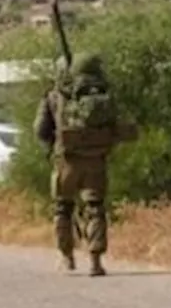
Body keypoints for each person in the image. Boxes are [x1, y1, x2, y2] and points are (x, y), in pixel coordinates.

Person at [33, 52, 131, 277]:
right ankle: (96, 261)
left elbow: (40, 129)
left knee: (62, 208)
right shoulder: (104, 96)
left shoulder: (53, 97)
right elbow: (119, 127)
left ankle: (67, 257)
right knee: (95, 208)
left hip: (66, 161)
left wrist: (50, 147)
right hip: (96, 160)